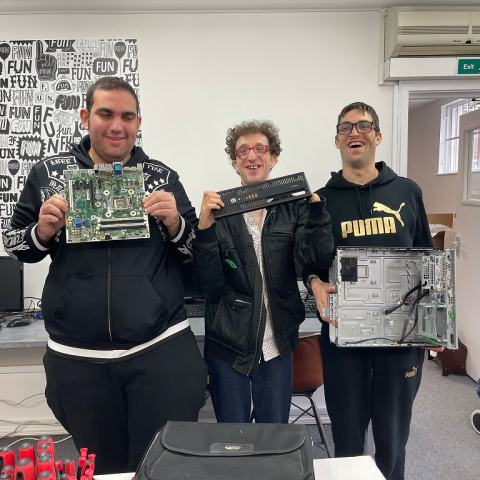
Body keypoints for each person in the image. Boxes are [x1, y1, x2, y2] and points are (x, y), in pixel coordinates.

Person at [2, 77, 207, 474]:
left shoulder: (162, 177)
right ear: (85, 116)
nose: (117, 126)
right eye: (106, 114)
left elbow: (198, 253)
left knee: (163, 467)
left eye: (127, 117)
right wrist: (41, 232)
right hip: (77, 359)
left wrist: (177, 225)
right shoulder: (48, 173)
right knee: (104, 470)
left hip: (160, 349)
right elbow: (16, 244)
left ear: (138, 122)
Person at [303, 102, 441, 480]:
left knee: (392, 438)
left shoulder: (408, 191)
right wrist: (314, 283)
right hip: (344, 336)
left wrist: (436, 321)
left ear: (377, 136)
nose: (355, 132)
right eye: (346, 127)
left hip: (401, 341)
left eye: (364, 125)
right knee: (347, 438)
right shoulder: (318, 199)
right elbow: (309, 263)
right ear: (336, 140)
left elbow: (427, 259)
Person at [192, 120, 334, 424]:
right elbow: (208, 287)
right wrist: (203, 230)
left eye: (260, 148)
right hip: (229, 346)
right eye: (242, 150)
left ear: (273, 157)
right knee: (233, 437)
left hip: (277, 343)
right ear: (234, 162)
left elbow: (314, 258)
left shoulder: (292, 209)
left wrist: (319, 218)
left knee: (274, 434)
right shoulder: (218, 213)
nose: (251, 155)